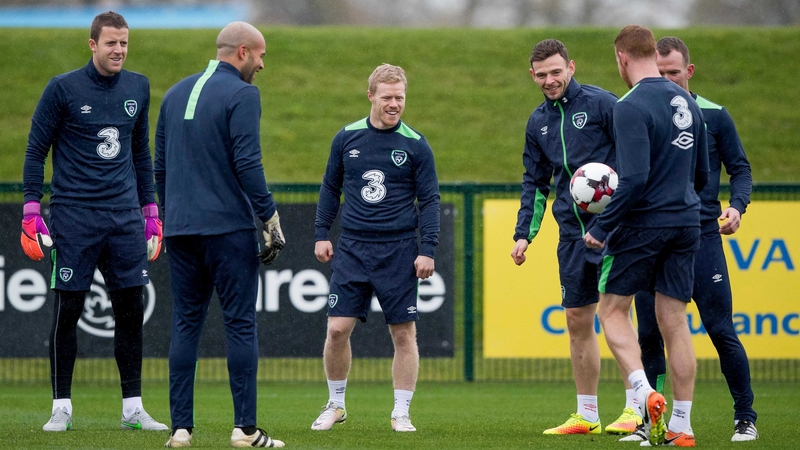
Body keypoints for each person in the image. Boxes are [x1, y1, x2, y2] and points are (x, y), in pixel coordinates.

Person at [21, 11, 167, 433]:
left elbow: (141, 153)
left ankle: (133, 408)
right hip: (74, 215)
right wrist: (32, 208)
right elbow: (36, 151)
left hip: (123, 218)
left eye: (124, 43)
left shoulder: (138, 86)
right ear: (92, 44)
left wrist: (150, 211)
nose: (119, 50)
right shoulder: (63, 88)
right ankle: (61, 407)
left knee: (130, 309)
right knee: (68, 310)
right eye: (111, 43)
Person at [154, 21, 285, 448]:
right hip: (227, 228)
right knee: (241, 325)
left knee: (185, 323)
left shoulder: (173, 94)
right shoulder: (243, 94)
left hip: (181, 229)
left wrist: (171, 216)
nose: (263, 64)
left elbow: (158, 167)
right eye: (261, 55)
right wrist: (268, 217)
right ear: (243, 52)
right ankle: (245, 430)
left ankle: (180, 429)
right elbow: (248, 163)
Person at [624, 36, 757, 444]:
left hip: (700, 236)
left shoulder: (713, 115)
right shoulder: (638, 109)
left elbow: (740, 169)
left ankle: (745, 416)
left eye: (673, 73)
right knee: (649, 333)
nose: (665, 79)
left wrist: (736, 206)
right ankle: (654, 422)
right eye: (659, 72)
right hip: (652, 236)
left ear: (689, 71)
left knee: (719, 329)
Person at [583, 25, 709, 447]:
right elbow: (705, 174)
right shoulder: (688, 102)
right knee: (675, 322)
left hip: (644, 225)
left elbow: (633, 178)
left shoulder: (629, 105)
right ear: (655, 54)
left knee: (612, 311)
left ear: (621, 58)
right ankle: (682, 426)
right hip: (687, 221)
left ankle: (643, 392)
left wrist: (601, 228)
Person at [510, 39, 641, 436]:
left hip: (614, 230)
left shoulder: (604, 104)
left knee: (617, 315)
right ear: (532, 75)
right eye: (542, 74)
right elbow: (535, 183)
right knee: (576, 319)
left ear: (571, 66)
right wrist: (523, 235)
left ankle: (636, 408)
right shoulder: (537, 122)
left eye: (556, 71)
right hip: (570, 234)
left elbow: (632, 158)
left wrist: (612, 205)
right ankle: (587, 414)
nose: (550, 80)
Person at [312, 63, 440, 433]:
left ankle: (401, 411)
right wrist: (322, 232)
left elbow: (429, 200)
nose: (394, 104)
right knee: (336, 330)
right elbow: (328, 188)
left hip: (399, 249)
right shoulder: (346, 138)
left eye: (399, 97)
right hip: (352, 247)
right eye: (387, 97)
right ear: (371, 96)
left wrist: (427, 248)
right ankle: (336, 404)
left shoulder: (416, 145)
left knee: (403, 334)